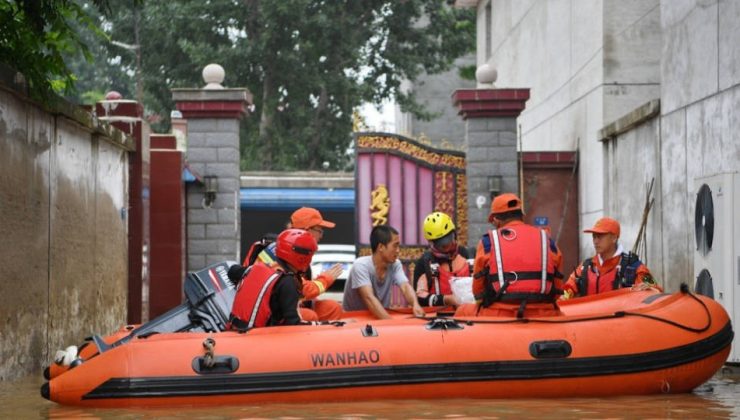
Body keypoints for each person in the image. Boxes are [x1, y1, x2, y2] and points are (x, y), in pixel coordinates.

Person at [456, 193, 563, 318]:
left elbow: (478, 292)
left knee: (462, 311)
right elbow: (558, 289)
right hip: (543, 312)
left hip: (500, 313)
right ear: (521, 216)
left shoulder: (488, 241)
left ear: (496, 219)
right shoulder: (546, 239)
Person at [243, 207, 343, 321]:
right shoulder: (279, 250)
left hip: (287, 301)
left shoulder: (296, 249)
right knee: (309, 316)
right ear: (307, 230)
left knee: (332, 308)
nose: (321, 236)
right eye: (320, 231)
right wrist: (326, 279)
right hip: (269, 308)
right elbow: (301, 289)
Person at [228, 229, 319, 329]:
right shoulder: (287, 282)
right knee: (311, 317)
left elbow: (232, 271)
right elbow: (293, 325)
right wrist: (323, 326)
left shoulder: (257, 268)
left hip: (236, 329)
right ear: (302, 258)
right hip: (258, 338)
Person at [561, 217, 658, 299]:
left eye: (600, 236)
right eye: (594, 237)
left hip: (619, 320)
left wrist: (648, 288)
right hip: (589, 319)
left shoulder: (634, 266)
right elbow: (568, 288)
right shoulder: (585, 267)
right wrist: (563, 297)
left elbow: (655, 289)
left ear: (614, 238)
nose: (595, 241)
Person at [342, 225, 425, 319]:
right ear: (381, 247)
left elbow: (405, 286)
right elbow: (369, 298)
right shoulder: (361, 265)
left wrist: (415, 304)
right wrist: (390, 323)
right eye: (395, 245)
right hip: (354, 319)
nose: (398, 251)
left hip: (379, 317)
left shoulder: (395, 264)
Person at [413, 211, 471, 307]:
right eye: (440, 243)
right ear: (431, 243)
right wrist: (446, 299)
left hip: (467, 316)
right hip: (436, 318)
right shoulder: (424, 262)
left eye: (448, 238)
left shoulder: (467, 255)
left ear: (454, 234)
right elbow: (419, 298)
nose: (446, 245)